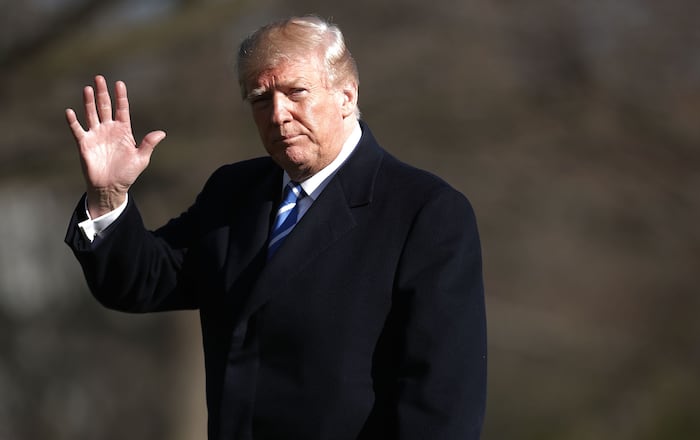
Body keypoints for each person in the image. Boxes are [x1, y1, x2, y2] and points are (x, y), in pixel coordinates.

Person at [64, 15, 486, 440]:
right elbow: (143, 281)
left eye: (295, 92)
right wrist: (108, 196)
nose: (278, 114)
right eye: (260, 98)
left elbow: (440, 403)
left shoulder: (424, 211)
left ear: (346, 94)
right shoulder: (233, 192)